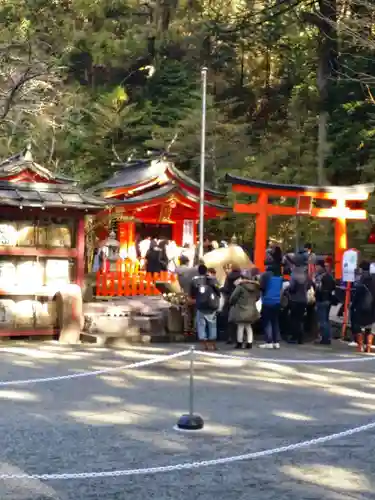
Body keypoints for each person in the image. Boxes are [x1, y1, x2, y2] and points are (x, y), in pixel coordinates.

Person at [190, 264, 221, 350]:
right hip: (211, 305)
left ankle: (205, 345)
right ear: (206, 271)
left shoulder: (194, 280)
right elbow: (218, 291)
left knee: (201, 325)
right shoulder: (212, 279)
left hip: (200, 306)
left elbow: (192, 294)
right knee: (212, 325)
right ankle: (213, 345)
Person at [229, 269, 260, 349]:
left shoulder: (240, 286)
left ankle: (239, 343)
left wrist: (232, 302)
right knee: (248, 326)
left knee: (240, 326)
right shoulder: (255, 286)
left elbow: (233, 297)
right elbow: (257, 297)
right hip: (251, 309)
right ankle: (249, 343)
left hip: (241, 309)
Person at [288, 257, 314, 344]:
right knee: (300, 319)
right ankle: (301, 337)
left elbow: (292, 287)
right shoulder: (305, 274)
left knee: (294, 319)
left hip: (295, 299)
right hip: (303, 299)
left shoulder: (294, 274)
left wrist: (290, 291)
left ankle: (294, 337)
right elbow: (310, 284)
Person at [350, 261, 375, 352]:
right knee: (372, 328)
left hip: (361, 307)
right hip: (373, 308)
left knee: (358, 326)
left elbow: (357, 295)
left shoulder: (361, 281)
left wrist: (353, 306)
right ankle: (368, 346)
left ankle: (360, 346)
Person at [259, 261, 283, 349]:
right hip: (277, 302)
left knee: (267, 322)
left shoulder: (265, 276)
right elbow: (281, 290)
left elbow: (261, 288)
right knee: (275, 321)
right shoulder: (279, 278)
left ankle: (268, 341)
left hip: (267, 301)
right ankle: (276, 342)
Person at [315, 259, 336, 345]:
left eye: (316, 266)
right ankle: (327, 337)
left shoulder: (321, 277)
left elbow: (319, 289)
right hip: (328, 300)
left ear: (320, 266)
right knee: (326, 320)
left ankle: (325, 339)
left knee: (323, 321)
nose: (316, 268)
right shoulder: (329, 276)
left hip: (322, 300)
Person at [221, 265, 242, 344]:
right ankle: (239, 337)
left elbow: (226, 288)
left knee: (230, 319)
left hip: (230, 299)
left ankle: (230, 337)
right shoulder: (242, 276)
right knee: (240, 319)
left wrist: (221, 289)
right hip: (240, 300)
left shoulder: (229, 276)